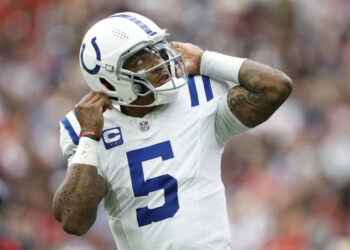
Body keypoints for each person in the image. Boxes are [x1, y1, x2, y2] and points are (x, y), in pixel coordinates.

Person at [53, 12, 292, 249]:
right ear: (108, 81)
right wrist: (89, 138)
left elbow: (276, 87)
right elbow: (73, 220)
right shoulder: (91, 127)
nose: (159, 63)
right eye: (140, 60)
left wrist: (206, 60)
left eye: (156, 51)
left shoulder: (198, 94)